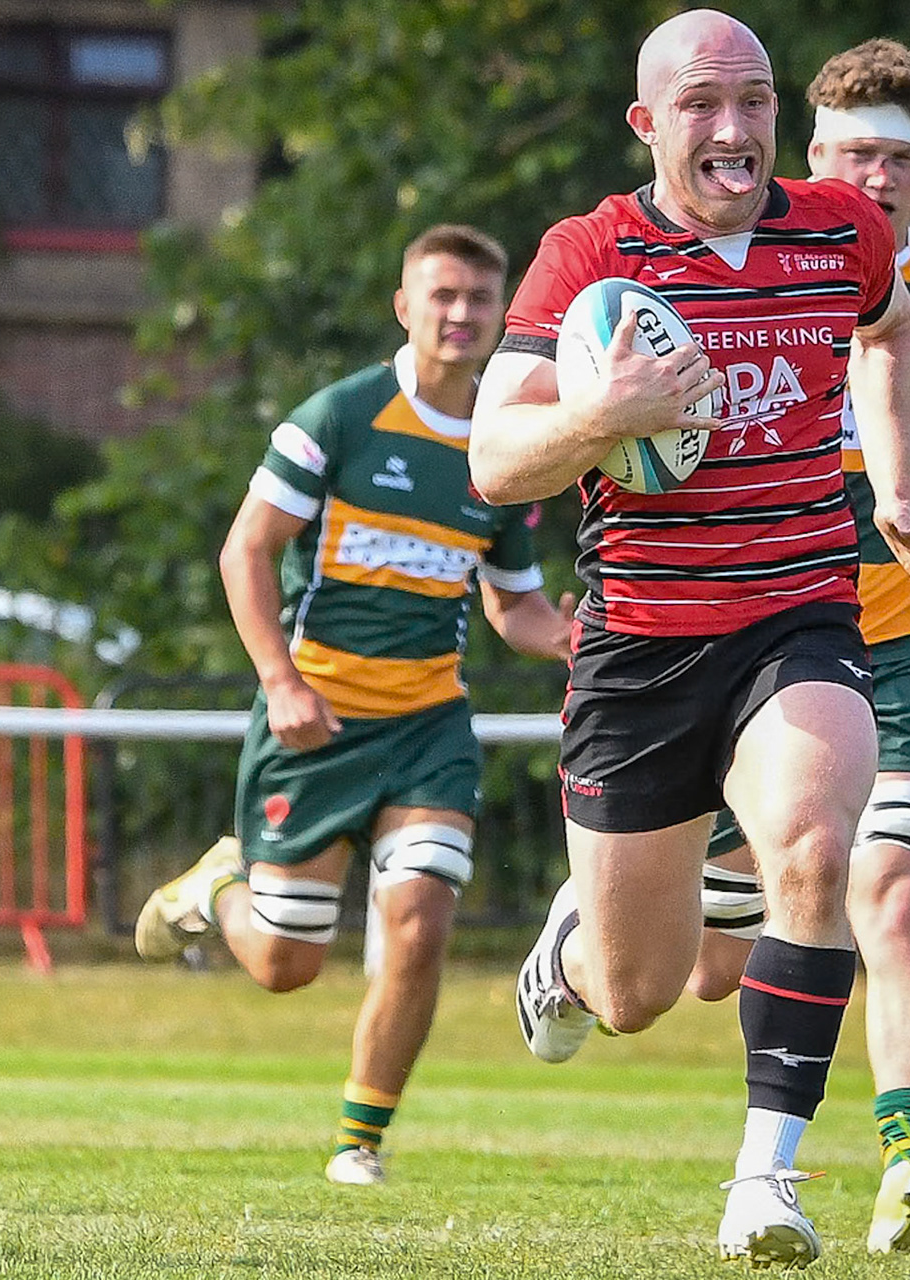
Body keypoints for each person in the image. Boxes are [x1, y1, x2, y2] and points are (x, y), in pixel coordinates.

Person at [470, 11, 910, 1266]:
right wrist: (600, 414)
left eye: (754, 99)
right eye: (701, 105)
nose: (734, 129)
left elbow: (896, 330)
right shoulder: (591, 254)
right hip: (639, 642)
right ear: (649, 124)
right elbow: (491, 457)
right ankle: (569, 954)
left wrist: (894, 483)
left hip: (797, 612)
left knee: (813, 840)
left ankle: (767, 1181)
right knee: (639, 991)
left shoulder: (840, 229)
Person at [657, 38, 910, 1256]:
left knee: (897, 893)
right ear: (809, 151)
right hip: (752, 636)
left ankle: (905, 1156)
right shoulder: (735, 257)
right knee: (703, 967)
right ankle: (598, 914)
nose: (877, 177)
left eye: (901, 158)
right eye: (855, 153)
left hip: (898, 633)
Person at [133, 224, 576, 1187]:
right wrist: (281, 684)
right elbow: (244, 551)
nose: (462, 315)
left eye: (479, 299)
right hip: (317, 719)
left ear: (504, 314)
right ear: (404, 306)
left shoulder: (505, 445)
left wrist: (581, 636)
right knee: (288, 963)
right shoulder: (339, 415)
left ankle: (359, 1142)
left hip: (429, 727)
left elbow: (516, 606)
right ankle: (219, 886)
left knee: (420, 913)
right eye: (443, 296)